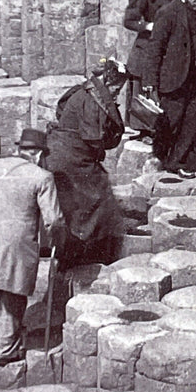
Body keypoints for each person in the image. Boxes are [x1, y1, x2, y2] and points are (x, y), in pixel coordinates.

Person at [0, 128, 64, 366]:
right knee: (15, 292)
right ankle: (6, 349)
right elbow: (54, 220)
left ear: (18, 149)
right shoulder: (41, 177)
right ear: (39, 154)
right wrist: (58, 242)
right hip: (14, 241)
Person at [46, 57, 128, 268]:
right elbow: (94, 138)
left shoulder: (87, 90)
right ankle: (87, 251)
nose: (116, 94)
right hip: (70, 157)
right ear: (108, 82)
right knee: (96, 198)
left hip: (65, 152)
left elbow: (61, 110)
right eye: (116, 90)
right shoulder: (91, 101)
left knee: (82, 201)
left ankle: (83, 245)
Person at [143, 0, 196, 178]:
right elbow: (155, 49)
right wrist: (150, 82)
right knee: (169, 123)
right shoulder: (168, 13)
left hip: (195, 79)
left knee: (192, 121)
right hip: (173, 80)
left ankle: (177, 162)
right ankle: (158, 159)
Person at [124, 0, 184, 132]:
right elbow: (129, 20)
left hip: (170, 48)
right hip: (147, 46)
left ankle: (160, 128)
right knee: (142, 88)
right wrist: (147, 26)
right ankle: (140, 128)